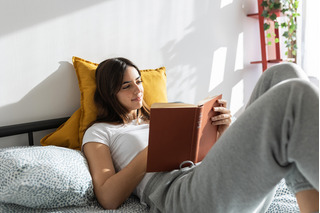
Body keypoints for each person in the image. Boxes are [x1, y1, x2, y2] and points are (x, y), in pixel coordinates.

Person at [82, 58, 319, 213]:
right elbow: (108, 197)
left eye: (139, 81)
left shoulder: (163, 115)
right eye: (126, 86)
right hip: (179, 194)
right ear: (109, 93)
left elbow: (210, 157)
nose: (138, 90)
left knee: (283, 72)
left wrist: (223, 127)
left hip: (209, 180)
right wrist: (153, 152)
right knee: (293, 96)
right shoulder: (101, 131)